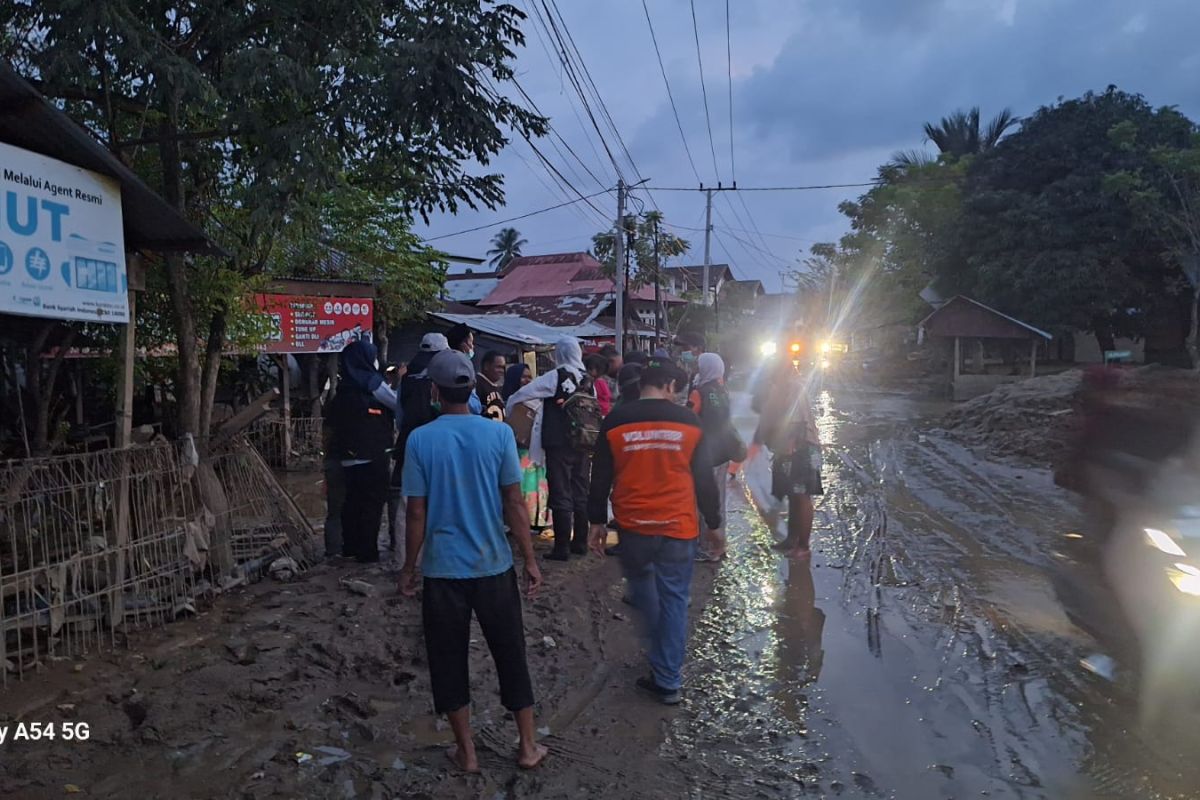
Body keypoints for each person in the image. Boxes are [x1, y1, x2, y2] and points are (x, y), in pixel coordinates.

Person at [399, 350, 547, 773]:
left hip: (443, 571)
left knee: (447, 659)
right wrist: (530, 560)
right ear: (473, 390)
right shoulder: (498, 436)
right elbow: (514, 503)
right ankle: (527, 746)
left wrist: (408, 568)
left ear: (434, 391)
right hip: (494, 566)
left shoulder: (420, 440)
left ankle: (466, 752)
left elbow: (415, 513)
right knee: (510, 654)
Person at [587, 358, 721, 705]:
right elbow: (705, 480)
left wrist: (596, 522)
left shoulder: (615, 421)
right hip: (679, 527)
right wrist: (716, 524)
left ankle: (660, 652)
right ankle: (668, 677)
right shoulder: (690, 422)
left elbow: (599, 475)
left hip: (634, 527)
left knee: (645, 592)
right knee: (675, 598)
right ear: (670, 386)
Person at [506, 338, 592, 561]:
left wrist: (510, 407)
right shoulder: (586, 378)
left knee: (561, 491)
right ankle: (580, 542)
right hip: (583, 443)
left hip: (559, 444)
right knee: (580, 491)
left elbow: (524, 393)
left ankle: (561, 547)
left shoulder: (557, 376)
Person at [324, 339, 397, 563]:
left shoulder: (341, 392)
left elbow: (330, 426)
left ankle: (349, 548)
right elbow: (398, 405)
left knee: (351, 504)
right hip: (374, 457)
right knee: (372, 506)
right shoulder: (374, 384)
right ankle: (368, 553)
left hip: (346, 459)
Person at [754, 358, 823, 559]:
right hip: (787, 449)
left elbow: (796, 423)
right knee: (792, 495)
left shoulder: (793, 387)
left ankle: (803, 545)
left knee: (802, 496)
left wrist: (788, 449)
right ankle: (792, 540)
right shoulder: (780, 388)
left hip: (801, 449)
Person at [688, 353, 742, 562]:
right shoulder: (722, 391)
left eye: (699, 365)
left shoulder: (698, 392)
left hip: (704, 454)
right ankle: (719, 545)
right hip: (722, 453)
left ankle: (705, 547)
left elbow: (689, 419)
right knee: (719, 499)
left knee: (704, 499)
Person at [503, 363, 551, 531]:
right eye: (523, 376)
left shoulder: (538, 398)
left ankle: (537, 521)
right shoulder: (510, 399)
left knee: (536, 486)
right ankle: (518, 521)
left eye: (530, 376)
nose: (527, 380)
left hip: (536, 451)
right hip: (517, 452)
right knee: (521, 487)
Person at [446, 323, 485, 415]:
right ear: (464, 346)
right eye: (471, 342)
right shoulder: (462, 368)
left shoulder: (446, 363)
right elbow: (474, 406)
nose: (473, 346)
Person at [477, 351, 508, 421]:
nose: (502, 371)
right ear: (486, 366)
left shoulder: (496, 387)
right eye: (498, 367)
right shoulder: (477, 384)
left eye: (503, 368)